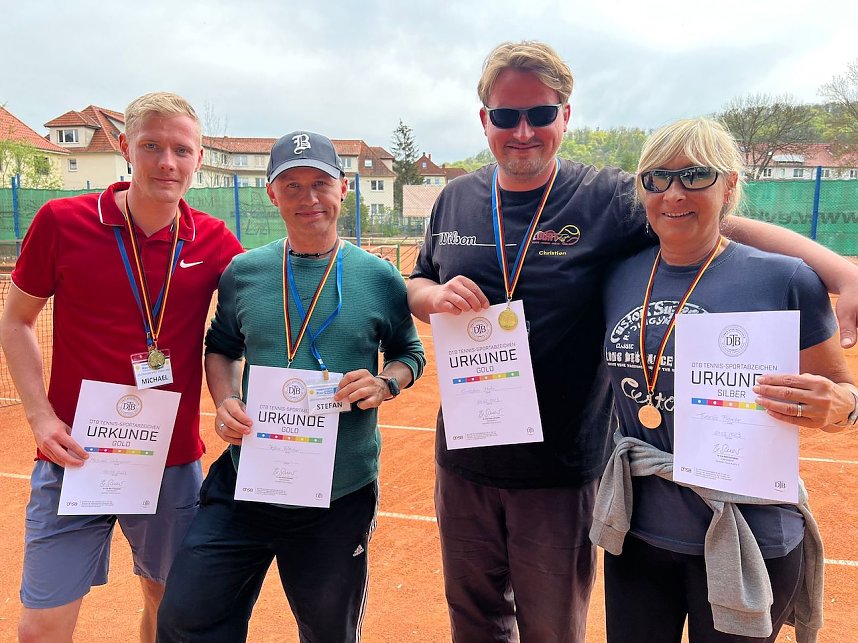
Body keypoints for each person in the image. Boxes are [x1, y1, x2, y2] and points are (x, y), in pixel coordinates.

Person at [407, 41, 858, 643]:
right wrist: (428, 298)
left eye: (540, 114)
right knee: (473, 622)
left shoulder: (606, 196)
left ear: (565, 115)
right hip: (463, 456)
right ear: (483, 117)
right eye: (506, 115)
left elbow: (705, 214)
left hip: (561, 466)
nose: (523, 130)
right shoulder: (455, 197)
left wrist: (842, 271)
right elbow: (419, 278)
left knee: (551, 629)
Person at [590, 117, 857, 642]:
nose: (673, 193)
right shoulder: (619, 273)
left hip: (748, 535)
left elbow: (843, 392)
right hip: (639, 534)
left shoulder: (785, 279)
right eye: (656, 178)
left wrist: (840, 406)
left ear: (730, 184)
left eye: (695, 175)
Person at [156, 131, 426, 642]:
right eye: (293, 185)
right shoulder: (244, 272)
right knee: (186, 617)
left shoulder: (380, 276)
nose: (309, 198)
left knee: (328, 632)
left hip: (337, 493)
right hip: (246, 482)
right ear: (272, 193)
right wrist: (226, 400)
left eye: (320, 183)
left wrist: (385, 383)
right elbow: (221, 347)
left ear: (343, 188)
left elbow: (410, 354)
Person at [0, 92, 243, 643]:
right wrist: (40, 419)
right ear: (123, 146)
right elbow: (14, 322)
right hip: (73, 455)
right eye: (152, 146)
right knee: (40, 628)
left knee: (167, 605)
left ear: (199, 159)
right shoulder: (63, 220)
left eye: (182, 150)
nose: (166, 162)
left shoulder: (216, 242)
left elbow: (244, 330)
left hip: (170, 462)